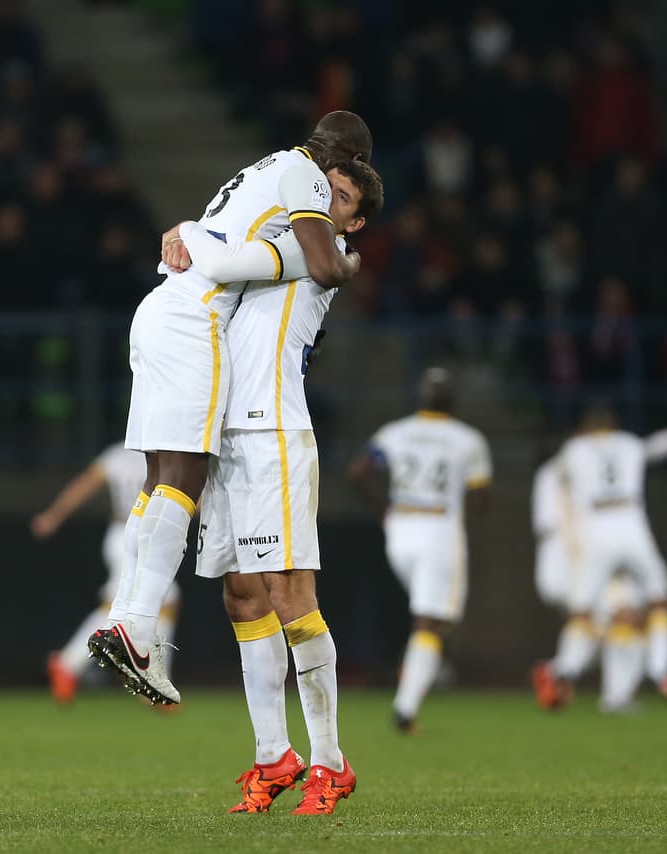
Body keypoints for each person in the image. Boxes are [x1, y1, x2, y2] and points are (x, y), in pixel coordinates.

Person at [87, 111, 373, 706]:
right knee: (183, 476)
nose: (330, 192)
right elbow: (318, 264)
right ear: (338, 157)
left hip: (159, 309)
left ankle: (124, 619)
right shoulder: (306, 177)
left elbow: (221, 240)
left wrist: (189, 229)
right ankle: (139, 628)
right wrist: (346, 265)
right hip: (196, 323)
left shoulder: (262, 168)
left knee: (156, 480)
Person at [175, 159, 383, 815]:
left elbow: (217, 259)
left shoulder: (323, 248)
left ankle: (330, 762)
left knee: (291, 592)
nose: (324, 199)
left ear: (355, 220)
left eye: (340, 196)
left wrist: (185, 231)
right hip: (229, 431)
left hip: (274, 432)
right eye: (323, 187)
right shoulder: (295, 233)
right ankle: (274, 757)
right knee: (242, 595)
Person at [531, 406, 667, 709]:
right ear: (614, 427)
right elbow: (654, 448)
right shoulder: (629, 444)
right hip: (631, 527)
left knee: (587, 614)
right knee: (655, 602)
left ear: (587, 430)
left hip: (593, 537)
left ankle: (561, 673)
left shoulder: (574, 451)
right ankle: (658, 673)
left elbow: (554, 478)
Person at [347, 368, 492, 733]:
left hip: (400, 529)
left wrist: (382, 509)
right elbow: (479, 499)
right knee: (433, 621)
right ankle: (405, 709)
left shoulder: (395, 432)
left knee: (431, 620)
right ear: (454, 401)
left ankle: (412, 675)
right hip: (438, 529)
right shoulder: (467, 439)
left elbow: (359, 471)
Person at [31, 443, 180, 705]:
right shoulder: (165, 453)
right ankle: (68, 662)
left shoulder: (118, 455)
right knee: (121, 606)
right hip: (134, 535)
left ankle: (149, 680)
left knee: (164, 600)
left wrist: (54, 516)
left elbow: (83, 486)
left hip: (125, 533)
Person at [532, 452, 649, 712]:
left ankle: (558, 672)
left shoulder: (547, 472)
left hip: (555, 560)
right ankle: (615, 696)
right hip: (575, 554)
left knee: (593, 624)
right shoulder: (579, 466)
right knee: (625, 613)